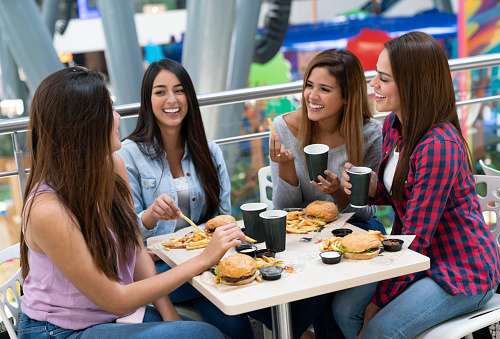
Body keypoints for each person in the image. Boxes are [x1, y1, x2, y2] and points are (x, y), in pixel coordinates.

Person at [17, 66, 245, 338]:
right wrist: (204, 259)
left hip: (112, 316)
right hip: (59, 331)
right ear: (82, 126)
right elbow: (116, 298)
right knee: (204, 335)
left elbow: (134, 247)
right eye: (108, 109)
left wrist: (168, 312)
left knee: (229, 324)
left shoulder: (112, 165)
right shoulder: (47, 211)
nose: (117, 117)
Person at [333, 31, 500, 339]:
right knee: (344, 309)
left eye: (383, 79)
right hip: (418, 256)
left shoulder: (438, 146)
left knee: (379, 329)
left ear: (412, 85)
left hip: (463, 271)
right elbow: (403, 194)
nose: (373, 86)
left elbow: (415, 239)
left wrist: (379, 303)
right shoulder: (394, 125)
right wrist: (373, 187)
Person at [118, 59, 253, 339]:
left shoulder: (209, 150)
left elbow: (223, 216)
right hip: (155, 269)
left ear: (189, 97)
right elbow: (125, 230)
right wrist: (151, 215)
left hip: (206, 262)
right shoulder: (128, 154)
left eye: (179, 90)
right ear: (148, 100)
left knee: (238, 326)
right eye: (160, 92)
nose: (172, 100)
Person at [269, 49, 384, 231]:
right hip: (302, 231)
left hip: (354, 227)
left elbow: (367, 213)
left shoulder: (370, 134)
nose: (312, 96)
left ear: (347, 96)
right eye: (309, 85)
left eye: (324, 89)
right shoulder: (283, 127)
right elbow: (283, 210)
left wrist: (337, 192)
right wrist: (286, 166)